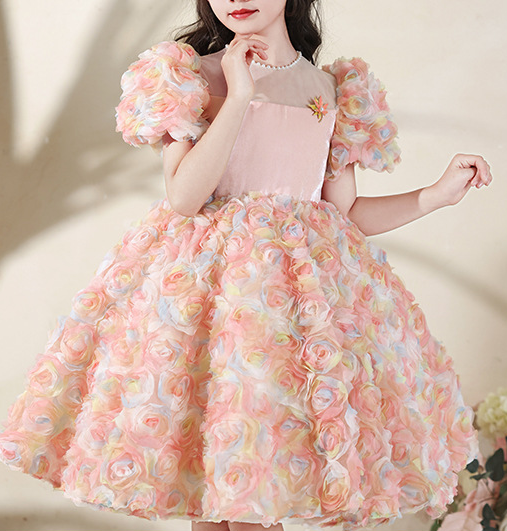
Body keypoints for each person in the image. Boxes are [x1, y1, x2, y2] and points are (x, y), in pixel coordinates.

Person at [0, 1, 491, 530]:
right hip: (206, 302)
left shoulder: (332, 89)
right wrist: (237, 96)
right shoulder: (187, 74)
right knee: (209, 487)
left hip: (290, 313)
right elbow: (186, 197)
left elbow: (344, 215)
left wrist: (434, 196)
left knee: (261, 475)